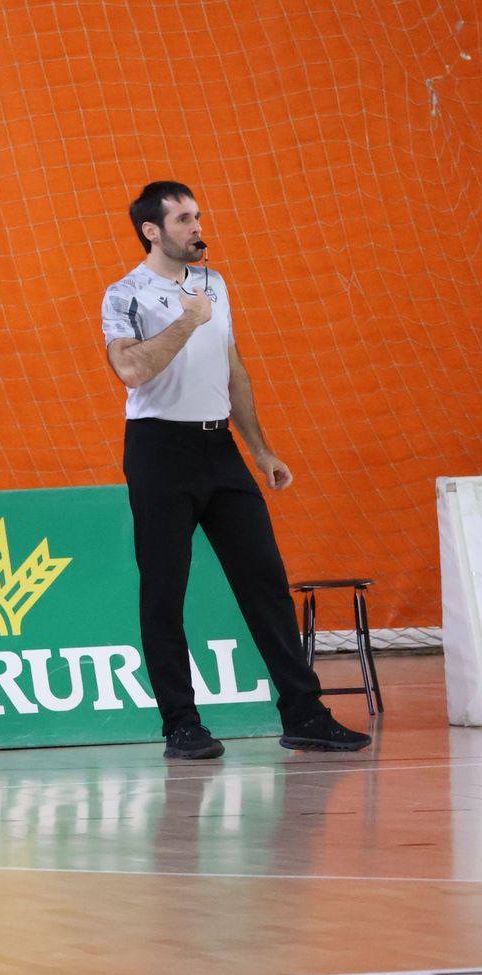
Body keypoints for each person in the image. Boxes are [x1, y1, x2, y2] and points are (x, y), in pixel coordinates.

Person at [101, 181, 371, 759]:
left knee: (266, 582)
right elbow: (129, 370)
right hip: (158, 450)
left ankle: (305, 713)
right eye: (183, 219)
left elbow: (233, 368)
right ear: (152, 230)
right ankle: (181, 724)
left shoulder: (214, 283)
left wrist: (260, 450)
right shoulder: (125, 293)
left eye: (197, 216)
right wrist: (185, 323)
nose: (197, 227)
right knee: (165, 590)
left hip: (218, 446)